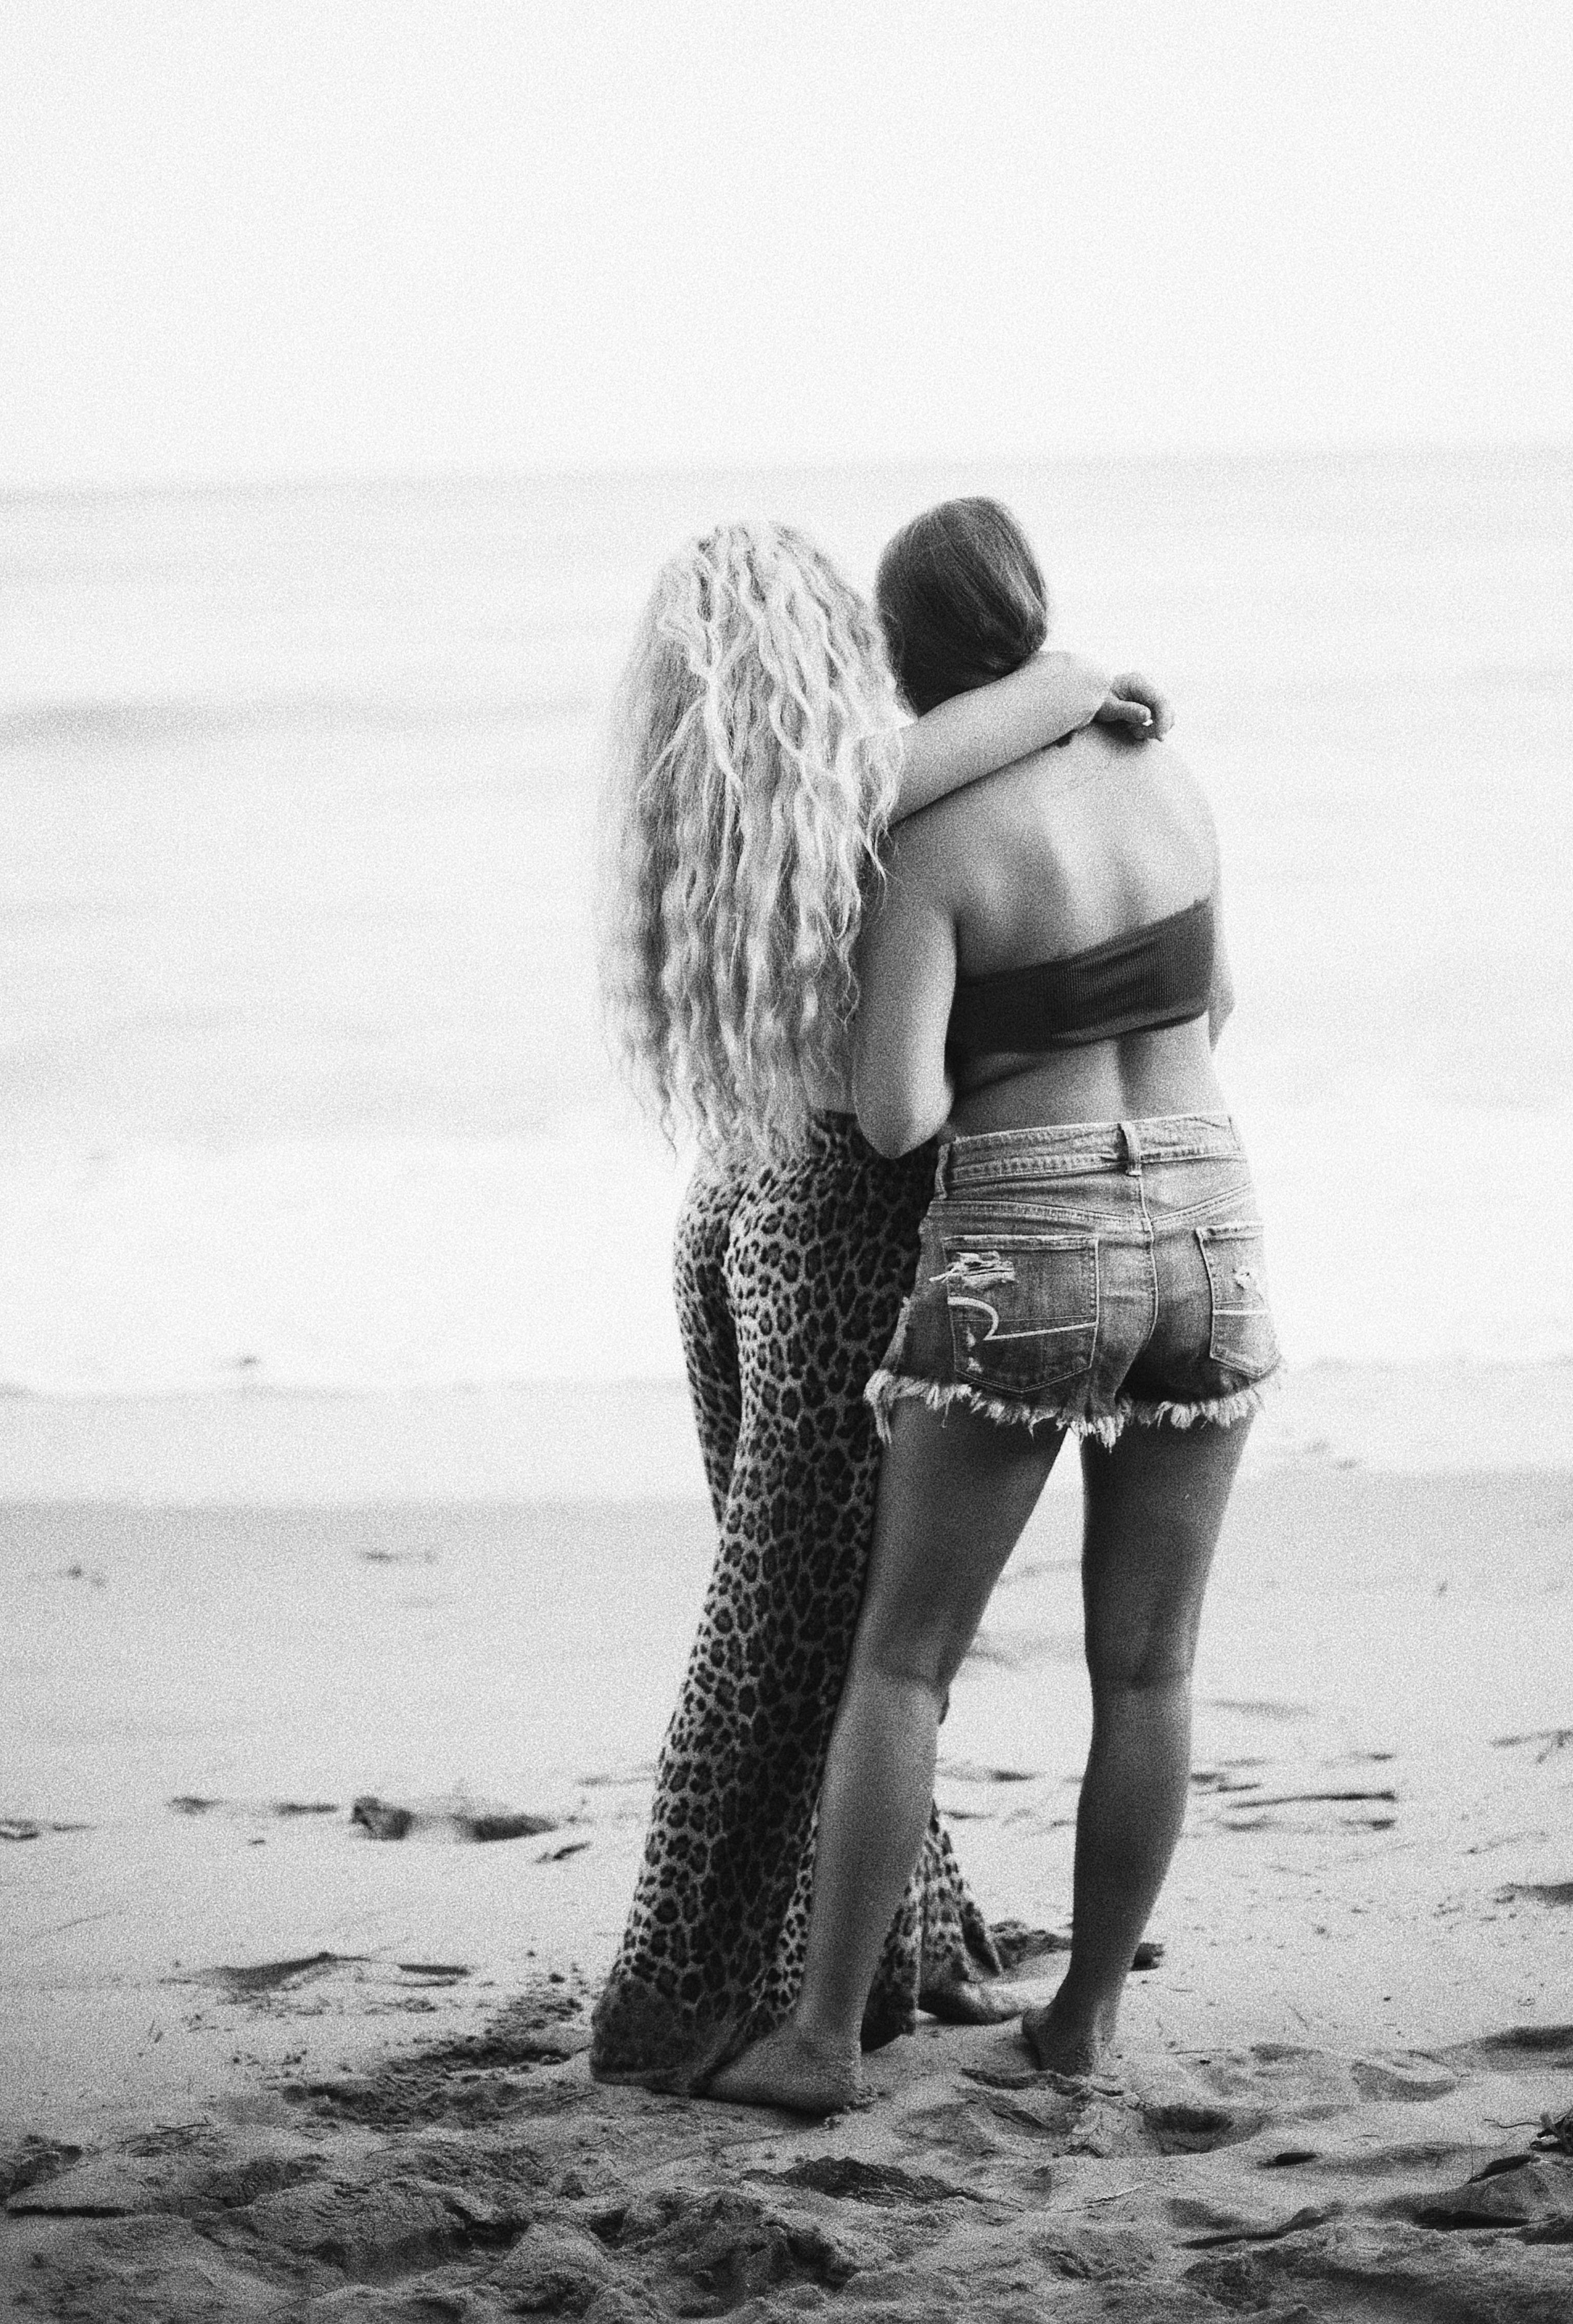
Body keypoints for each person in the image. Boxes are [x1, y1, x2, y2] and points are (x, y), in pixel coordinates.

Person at [709, 496, 1281, 2116]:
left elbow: (893, 1114)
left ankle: (819, 2043)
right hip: (1213, 1210)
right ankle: (1085, 2021)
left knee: (905, 1663)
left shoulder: (930, 837)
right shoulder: (1167, 773)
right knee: (1151, 1665)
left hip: (1024, 1233)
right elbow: (1217, 1004)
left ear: (895, 654)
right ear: (1033, 609)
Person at [588, 518, 1172, 2089]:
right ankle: (693, 1991)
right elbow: (1039, 698)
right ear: (811, 659)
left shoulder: (713, 809)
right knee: (802, 1637)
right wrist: (1087, 682)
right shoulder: (841, 794)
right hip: (839, 1234)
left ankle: (886, 1944)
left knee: (834, 1630)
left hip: (742, 1214)